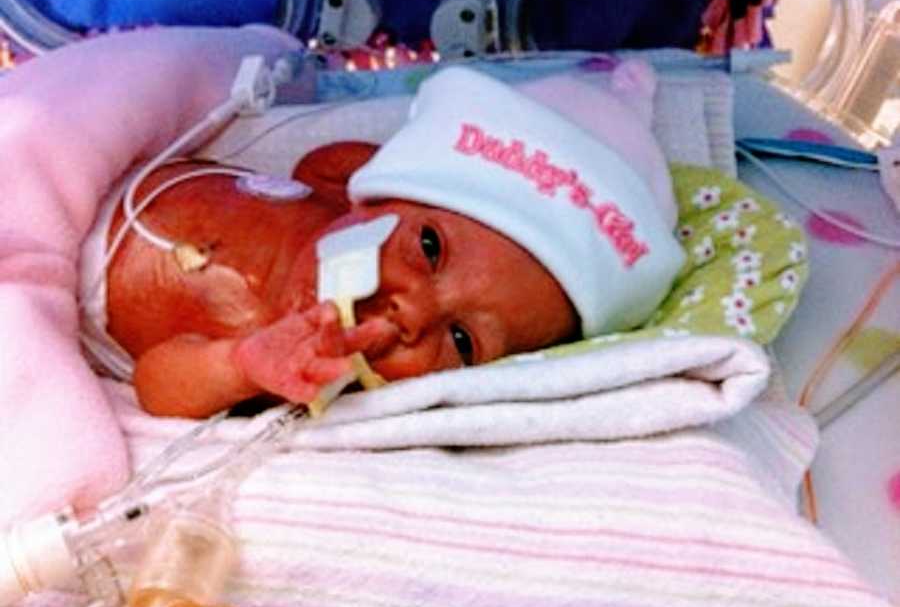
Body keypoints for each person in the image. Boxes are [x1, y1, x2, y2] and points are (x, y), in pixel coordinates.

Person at [77, 58, 685, 419]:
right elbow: (326, 161)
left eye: (463, 341)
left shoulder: (296, 360)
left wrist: (239, 367)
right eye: (429, 248)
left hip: (50, 288)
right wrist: (370, 183)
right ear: (371, 189)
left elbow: (158, 385)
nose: (414, 311)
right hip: (91, 166)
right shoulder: (332, 194)